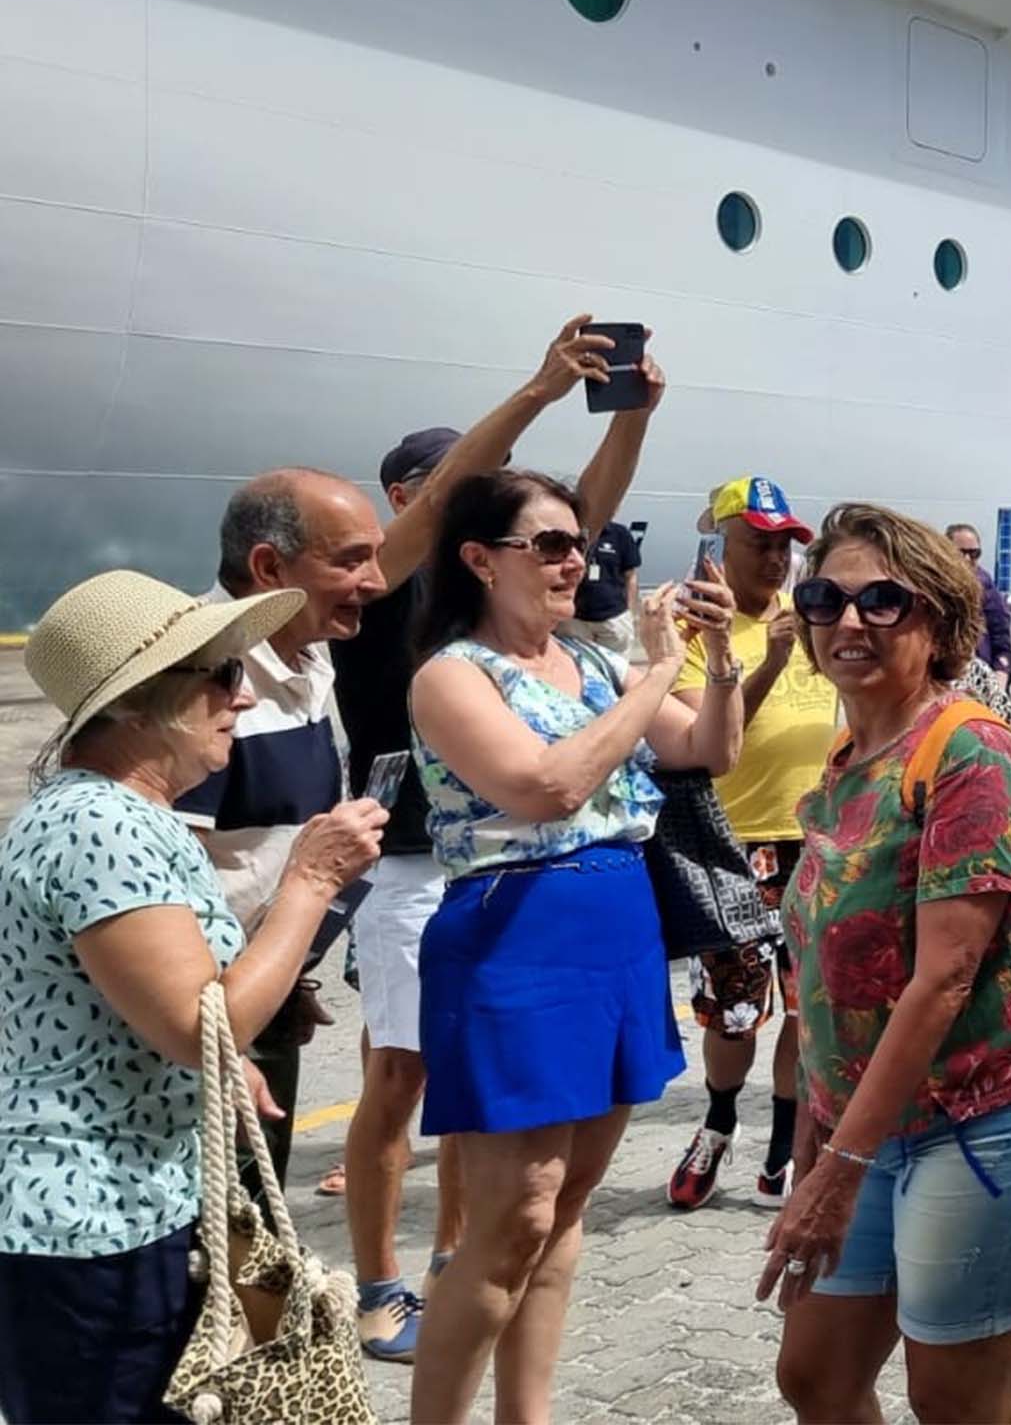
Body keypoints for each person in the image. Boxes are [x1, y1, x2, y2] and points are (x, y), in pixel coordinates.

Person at [334, 316, 658, 1362]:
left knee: (500, 1147)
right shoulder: (380, 593)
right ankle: (382, 1279)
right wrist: (535, 391)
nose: (558, 556)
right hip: (424, 864)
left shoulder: (515, 603)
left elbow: (581, 521)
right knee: (397, 1080)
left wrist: (632, 420)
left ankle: (455, 1263)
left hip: (513, 880)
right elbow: (454, 502)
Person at [0, 572, 384, 1424]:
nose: (240, 697)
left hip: (123, 1204)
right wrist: (310, 881)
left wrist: (226, 1063)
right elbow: (196, 1025)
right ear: (141, 702)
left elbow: (151, 1010)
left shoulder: (109, 814)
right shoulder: (101, 825)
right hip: (91, 1219)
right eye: (218, 674)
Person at [406, 470, 742, 1422]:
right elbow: (544, 787)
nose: (574, 560)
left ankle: (529, 1413)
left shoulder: (593, 665)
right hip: (515, 933)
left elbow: (708, 750)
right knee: (513, 1214)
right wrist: (660, 672)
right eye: (548, 544)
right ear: (479, 560)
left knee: (564, 1209)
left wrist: (715, 660)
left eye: (577, 542)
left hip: (615, 927)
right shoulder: (451, 674)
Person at [761, 504, 1011, 1425]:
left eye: (884, 600)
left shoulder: (971, 754)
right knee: (818, 1376)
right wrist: (813, 1135)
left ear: (942, 623)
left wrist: (840, 1166)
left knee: (954, 1399)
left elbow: (945, 978)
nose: (849, 622)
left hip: (990, 1110)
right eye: (826, 598)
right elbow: (825, 972)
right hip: (872, 1119)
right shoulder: (848, 755)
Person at [178, 468, 388, 1195]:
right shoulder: (203, 681)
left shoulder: (302, 652)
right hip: (200, 1020)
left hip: (261, 996)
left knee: (260, 1227)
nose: (377, 580)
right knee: (219, 1237)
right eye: (352, 559)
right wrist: (221, 1039)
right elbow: (169, 879)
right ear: (269, 568)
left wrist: (287, 972)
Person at [666, 478, 839, 1213]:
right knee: (735, 1014)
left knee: (809, 1009)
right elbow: (710, 747)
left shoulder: (816, 620)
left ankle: (784, 1149)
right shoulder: (692, 628)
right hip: (732, 847)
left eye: (784, 546)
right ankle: (719, 1119)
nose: (775, 559)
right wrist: (766, 662)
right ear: (720, 544)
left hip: (815, 841)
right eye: (758, 543)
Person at [943, 524, 1011, 689]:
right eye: (960, 553)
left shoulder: (987, 587)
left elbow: (1002, 642)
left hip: (983, 680)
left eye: (974, 553)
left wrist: (1000, 680)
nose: (968, 559)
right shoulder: (932, 588)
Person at [562, 518, 643, 655]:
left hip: (613, 616)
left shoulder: (620, 534)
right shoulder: (571, 533)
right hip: (576, 618)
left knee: (616, 669)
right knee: (576, 667)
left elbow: (630, 575)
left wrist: (630, 611)